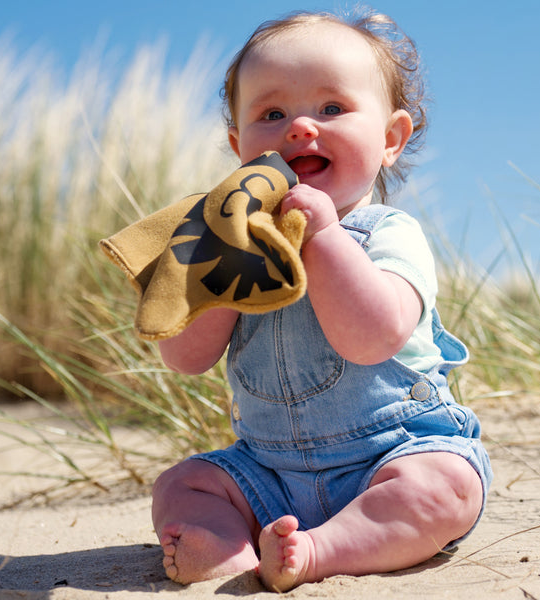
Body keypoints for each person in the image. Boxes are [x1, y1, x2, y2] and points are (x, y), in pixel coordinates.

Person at [151, 8, 492, 593]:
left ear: (390, 139)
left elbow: (372, 337)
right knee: (182, 485)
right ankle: (229, 547)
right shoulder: (235, 241)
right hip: (269, 472)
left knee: (446, 488)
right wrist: (223, 269)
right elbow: (185, 356)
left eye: (332, 109)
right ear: (240, 147)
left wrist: (327, 237)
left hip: (388, 458)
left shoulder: (389, 233)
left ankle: (320, 550)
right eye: (272, 113)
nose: (301, 127)